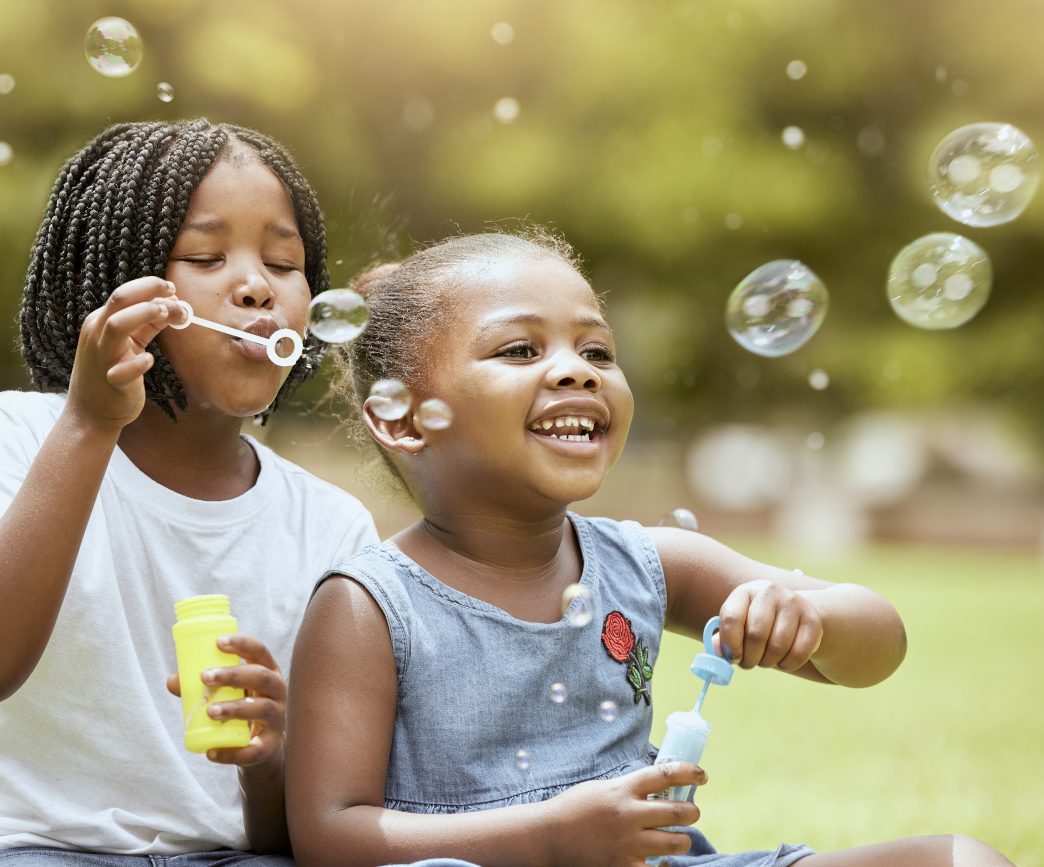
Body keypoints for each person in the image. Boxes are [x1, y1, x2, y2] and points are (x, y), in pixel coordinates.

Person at [284, 231, 1013, 867]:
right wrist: (548, 839)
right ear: (404, 418)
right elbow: (329, 836)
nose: (578, 370)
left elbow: (879, 642)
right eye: (519, 349)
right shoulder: (371, 605)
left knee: (960, 858)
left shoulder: (649, 561)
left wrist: (811, 618)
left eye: (597, 348)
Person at [0, 119, 378, 867]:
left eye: (284, 262)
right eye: (205, 255)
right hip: (37, 849)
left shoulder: (330, 525)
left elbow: (299, 831)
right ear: (119, 291)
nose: (257, 284)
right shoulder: (16, 434)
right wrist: (89, 423)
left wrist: (267, 760)